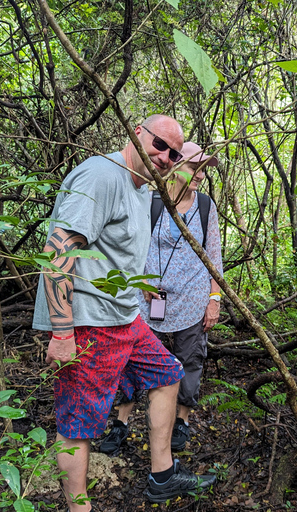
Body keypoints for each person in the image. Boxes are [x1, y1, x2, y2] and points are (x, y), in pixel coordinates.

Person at [32, 116, 216, 511]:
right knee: (78, 426)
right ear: (136, 132)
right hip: (89, 324)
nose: (164, 157)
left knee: (168, 374)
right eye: (159, 145)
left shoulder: (140, 188)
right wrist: (62, 333)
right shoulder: (102, 175)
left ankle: (162, 476)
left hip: (125, 319)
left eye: (173, 152)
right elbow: (58, 251)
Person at [98, 141, 223, 455]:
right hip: (149, 301)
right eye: (195, 167)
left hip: (192, 302)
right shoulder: (151, 201)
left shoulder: (206, 206)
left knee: (190, 361)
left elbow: (214, 257)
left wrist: (214, 300)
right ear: (178, 166)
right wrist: (140, 284)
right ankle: (121, 422)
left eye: (204, 169)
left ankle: (181, 420)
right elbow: (132, 248)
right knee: (132, 360)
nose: (200, 175)